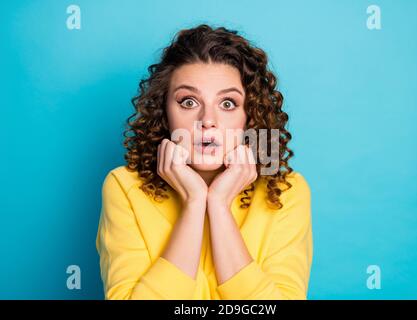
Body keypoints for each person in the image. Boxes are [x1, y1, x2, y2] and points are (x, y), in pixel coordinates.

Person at [96, 24, 313, 300]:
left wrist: (219, 205)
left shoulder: (287, 191)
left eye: (227, 104)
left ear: (250, 116)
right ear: (165, 113)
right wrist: (195, 201)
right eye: (188, 102)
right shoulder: (124, 186)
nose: (207, 121)